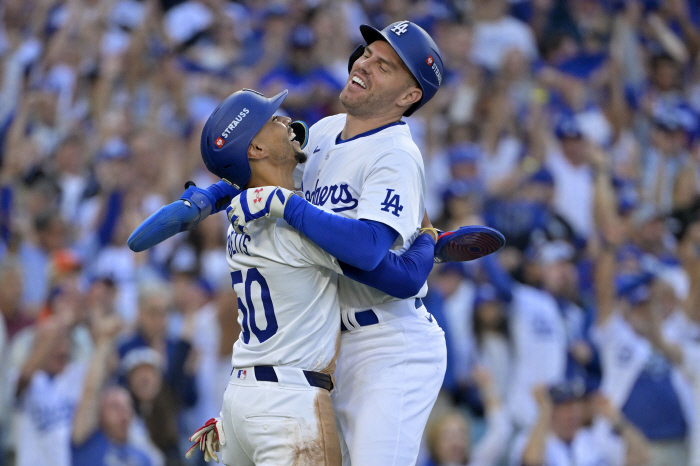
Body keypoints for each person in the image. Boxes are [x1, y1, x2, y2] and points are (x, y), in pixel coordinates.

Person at [128, 20, 456, 466]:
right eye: (367, 53)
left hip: (388, 343)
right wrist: (210, 196)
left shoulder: (396, 154)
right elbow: (262, 168)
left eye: (385, 66)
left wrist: (426, 242)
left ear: (408, 95)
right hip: (325, 352)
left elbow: (370, 254)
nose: (364, 64)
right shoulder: (325, 132)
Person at [184, 88, 437, 465]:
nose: (286, 121)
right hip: (288, 405)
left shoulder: (239, 217)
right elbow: (404, 277)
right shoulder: (296, 227)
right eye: (272, 120)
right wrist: (429, 237)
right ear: (256, 149)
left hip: (239, 401)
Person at [510, 381, 650, 466]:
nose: (573, 412)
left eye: (576, 405)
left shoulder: (594, 439)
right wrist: (543, 413)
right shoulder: (531, 440)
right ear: (552, 410)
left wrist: (616, 418)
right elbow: (531, 462)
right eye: (566, 407)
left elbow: (641, 457)